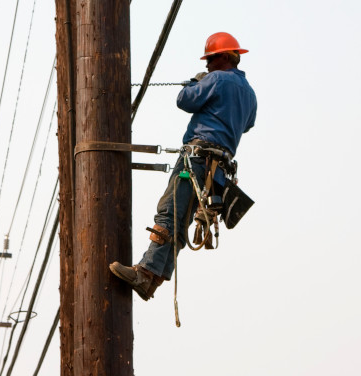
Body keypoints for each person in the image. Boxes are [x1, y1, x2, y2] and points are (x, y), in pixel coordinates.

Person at [110, 32, 257, 300]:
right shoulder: (249, 93)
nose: (207, 65)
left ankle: (145, 273)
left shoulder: (217, 79)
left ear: (225, 57)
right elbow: (247, 125)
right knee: (181, 222)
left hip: (198, 158)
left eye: (211, 59)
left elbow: (184, 100)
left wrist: (196, 84)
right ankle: (152, 280)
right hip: (219, 169)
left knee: (169, 212)